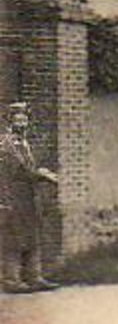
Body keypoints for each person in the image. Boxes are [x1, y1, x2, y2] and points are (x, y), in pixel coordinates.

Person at [0, 103, 59, 293]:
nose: (22, 123)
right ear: (10, 122)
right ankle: (11, 280)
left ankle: (34, 277)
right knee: (13, 238)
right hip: (12, 197)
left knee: (32, 235)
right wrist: (41, 175)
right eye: (18, 120)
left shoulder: (25, 144)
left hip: (28, 198)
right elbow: (17, 171)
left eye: (24, 119)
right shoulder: (4, 145)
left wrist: (39, 175)